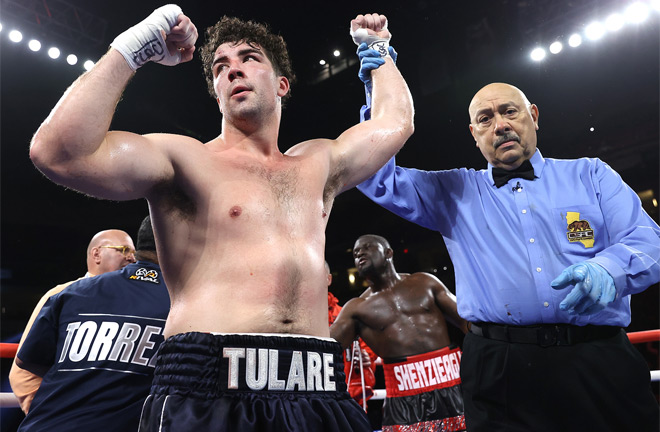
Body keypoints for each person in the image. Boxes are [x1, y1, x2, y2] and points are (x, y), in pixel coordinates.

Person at [28, 4, 413, 431]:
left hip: (318, 383)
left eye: (249, 58)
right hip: (209, 388)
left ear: (282, 84)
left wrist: (378, 52)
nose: (232, 70)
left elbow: (395, 123)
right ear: (216, 92)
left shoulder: (318, 162)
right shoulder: (184, 159)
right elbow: (58, 153)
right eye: (220, 66)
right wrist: (131, 50)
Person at [354, 71, 660, 430]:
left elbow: (648, 239)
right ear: (474, 134)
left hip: (600, 357)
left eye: (509, 112)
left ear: (533, 115)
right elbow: (374, 174)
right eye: (486, 118)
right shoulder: (454, 191)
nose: (499, 125)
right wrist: (380, 84)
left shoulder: (591, 175)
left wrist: (609, 268)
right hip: (500, 367)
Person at [14, 216, 170, 432]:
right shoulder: (180, 301)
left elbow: (29, 360)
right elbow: (23, 367)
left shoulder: (69, 294)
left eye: (130, 251)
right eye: (122, 250)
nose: (128, 256)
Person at [330, 234, 468, 431]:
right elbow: (324, 349)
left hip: (454, 385)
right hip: (404, 398)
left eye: (367, 247)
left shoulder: (425, 283)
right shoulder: (356, 309)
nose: (360, 252)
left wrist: (482, 363)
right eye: (355, 253)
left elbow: (467, 321)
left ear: (388, 253)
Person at [9, 228, 136, 413]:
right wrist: (52, 413)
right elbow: (23, 373)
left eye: (134, 252)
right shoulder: (62, 296)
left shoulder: (136, 301)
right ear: (97, 254)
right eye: (124, 250)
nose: (132, 258)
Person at [326, 261, 378, 410]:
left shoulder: (345, 315)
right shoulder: (297, 320)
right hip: (314, 398)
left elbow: (368, 350)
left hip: (350, 397)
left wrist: (367, 358)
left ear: (328, 279)